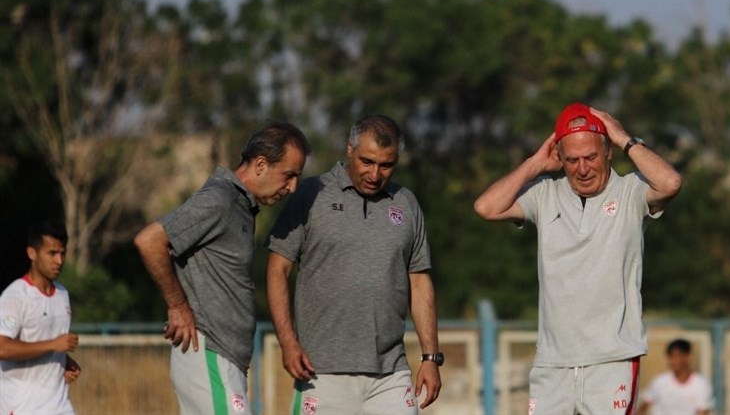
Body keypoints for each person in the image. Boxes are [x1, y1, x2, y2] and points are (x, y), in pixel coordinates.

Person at [474, 103, 683, 415]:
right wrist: (534, 164)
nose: (582, 168)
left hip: (612, 360)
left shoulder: (631, 191)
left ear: (608, 152)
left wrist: (623, 139)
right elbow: (486, 208)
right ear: (560, 158)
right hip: (552, 363)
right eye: (572, 160)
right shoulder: (544, 194)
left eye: (590, 157)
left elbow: (670, 183)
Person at [267, 114, 442, 414]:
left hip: (391, 373)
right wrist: (287, 342)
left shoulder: (406, 203)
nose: (375, 174)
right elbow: (277, 269)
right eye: (367, 161)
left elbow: (419, 282)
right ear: (350, 148)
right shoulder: (310, 194)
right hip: (321, 371)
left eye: (386, 165)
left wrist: (430, 357)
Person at [134, 121, 309, 415]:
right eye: (288, 175)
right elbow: (149, 240)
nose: (292, 188)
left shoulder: (242, 205)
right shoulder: (221, 200)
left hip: (224, 360)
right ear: (261, 165)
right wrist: (177, 306)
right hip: (209, 352)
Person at [0, 220, 81, 415]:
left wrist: (63, 360)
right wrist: (53, 345)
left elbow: (42, 341)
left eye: (62, 253)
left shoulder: (62, 294)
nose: (59, 261)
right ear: (32, 253)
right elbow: (3, 348)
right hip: (23, 408)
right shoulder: (15, 296)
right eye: (52, 253)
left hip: (59, 406)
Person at [639, 338, 715, 415]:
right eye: (671, 356)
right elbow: (643, 406)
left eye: (677, 356)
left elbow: (703, 411)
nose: (673, 361)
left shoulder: (701, 384)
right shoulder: (660, 382)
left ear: (687, 357)